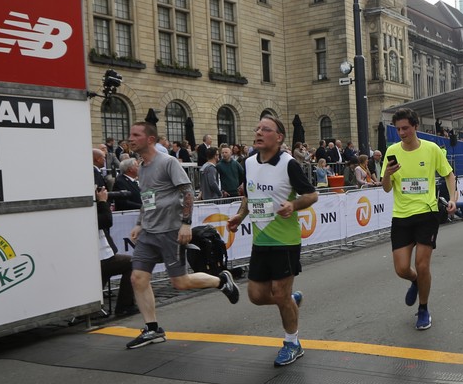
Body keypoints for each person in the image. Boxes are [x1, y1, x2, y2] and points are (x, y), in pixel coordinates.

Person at [123, 121, 240, 350]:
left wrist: (186, 224)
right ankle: (152, 329)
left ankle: (220, 281)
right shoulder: (142, 167)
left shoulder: (167, 162)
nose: (130, 138)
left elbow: (187, 192)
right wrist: (139, 223)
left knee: (180, 282)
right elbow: (147, 198)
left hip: (170, 231)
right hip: (149, 232)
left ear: (150, 139)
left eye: (136, 135)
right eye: (131, 135)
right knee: (138, 278)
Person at [226, 116, 317, 365]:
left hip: (285, 241)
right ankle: (290, 300)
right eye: (257, 128)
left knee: (280, 292)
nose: (258, 132)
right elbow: (249, 195)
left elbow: (312, 195)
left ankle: (292, 343)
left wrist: (293, 205)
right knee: (256, 295)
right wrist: (240, 216)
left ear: (279, 137)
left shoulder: (289, 164)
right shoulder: (248, 162)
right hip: (261, 241)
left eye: (265, 129)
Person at [382, 109, 455, 330]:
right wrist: (387, 174)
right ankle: (415, 281)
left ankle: (423, 309)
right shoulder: (392, 151)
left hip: (427, 213)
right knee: (402, 269)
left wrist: (453, 198)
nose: (402, 133)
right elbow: (386, 188)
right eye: (398, 129)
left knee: (422, 265)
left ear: (415, 127)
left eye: (405, 128)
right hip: (401, 215)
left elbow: (449, 174)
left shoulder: (431, 149)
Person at [97, 186, 138, 317]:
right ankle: (124, 306)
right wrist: (102, 202)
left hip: (101, 256)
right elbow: (106, 220)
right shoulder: (86, 211)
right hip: (100, 257)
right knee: (132, 263)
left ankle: (95, 305)